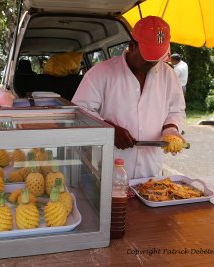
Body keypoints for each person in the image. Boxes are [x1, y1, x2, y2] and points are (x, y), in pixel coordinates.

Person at [72, 16, 186, 180]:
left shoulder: (168, 74)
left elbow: (176, 109)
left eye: (157, 58)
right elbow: (80, 111)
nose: (153, 64)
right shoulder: (101, 72)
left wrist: (171, 129)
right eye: (148, 58)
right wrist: (109, 129)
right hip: (109, 171)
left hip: (151, 169)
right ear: (132, 46)